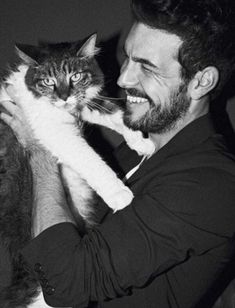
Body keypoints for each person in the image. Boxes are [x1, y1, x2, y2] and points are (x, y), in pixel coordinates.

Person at [1, 0, 235, 307]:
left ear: (201, 82)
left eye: (147, 67)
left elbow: (66, 283)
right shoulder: (136, 150)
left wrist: (38, 146)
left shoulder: (214, 182)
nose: (124, 78)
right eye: (127, 58)